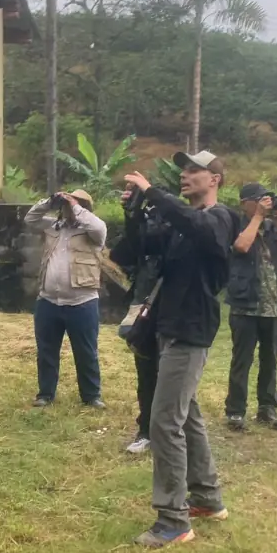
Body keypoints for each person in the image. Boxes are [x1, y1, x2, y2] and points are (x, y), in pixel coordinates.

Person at [123, 150, 235, 548]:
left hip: (191, 327)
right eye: (182, 171)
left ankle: (173, 520)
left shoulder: (221, 219)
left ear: (215, 179)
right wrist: (135, 212)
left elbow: (197, 225)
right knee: (186, 417)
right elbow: (138, 251)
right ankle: (206, 498)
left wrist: (153, 192)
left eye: (194, 171)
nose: (185, 176)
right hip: (167, 325)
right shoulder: (181, 224)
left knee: (164, 421)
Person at [24, 189, 107, 409]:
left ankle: (91, 396)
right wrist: (48, 201)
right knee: (46, 350)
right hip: (48, 300)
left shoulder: (93, 230)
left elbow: (99, 227)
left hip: (83, 301)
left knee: (86, 351)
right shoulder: (53, 226)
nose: (68, 207)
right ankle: (45, 394)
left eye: (75, 204)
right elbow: (30, 218)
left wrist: (76, 206)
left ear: (85, 208)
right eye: (67, 204)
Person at [224, 183, 277, 432]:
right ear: (245, 202)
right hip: (246, 304)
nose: (265, 204)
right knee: (242, 359)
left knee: (270, 360)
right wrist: (257, 217)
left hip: (275, 306)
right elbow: (241, 247)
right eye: (259, 200)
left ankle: (267, 407)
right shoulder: (236, 224)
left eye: (267, 200)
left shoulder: (272, 228)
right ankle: (235, 411)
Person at [110, 183, 169, 454]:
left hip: (173, 311)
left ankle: (169, 432)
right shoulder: (144, 224)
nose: (154, 216)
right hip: (144, 307)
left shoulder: (185, 224)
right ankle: (145, 429)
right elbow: (125, 252)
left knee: (171, 376)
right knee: (146, 372)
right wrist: (131, 215)